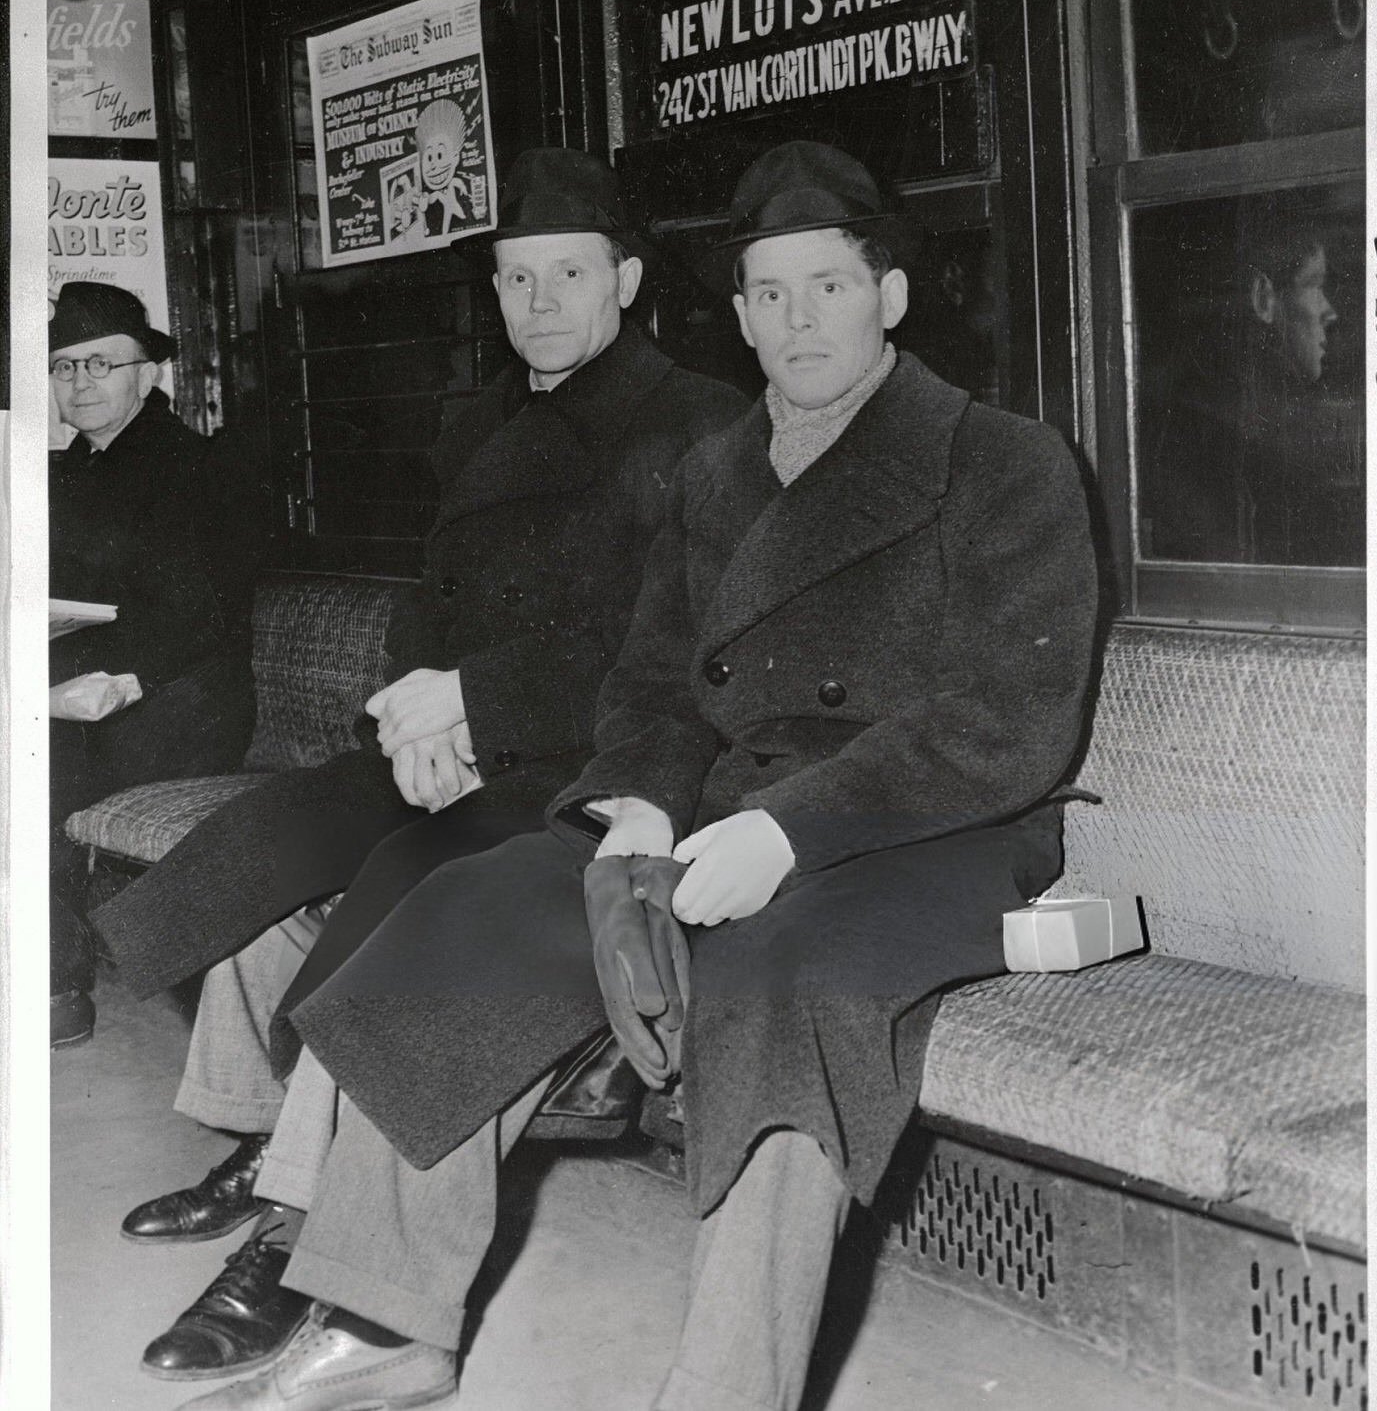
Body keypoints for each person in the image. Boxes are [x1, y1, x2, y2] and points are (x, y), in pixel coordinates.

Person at [167, 140, 1100, 1411]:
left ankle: (725, 1389)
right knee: (467, 911)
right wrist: (642, 798)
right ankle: (388, 1318)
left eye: (825, 287)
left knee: (782, 990)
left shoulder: (1002, 460)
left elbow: (1011, 715)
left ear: (887, 296)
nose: (795, 320)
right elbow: (652, 685)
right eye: (767, 296)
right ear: (735, 313)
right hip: (708, 812)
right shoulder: (714, 473)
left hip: (922, 825)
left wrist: (787, 833)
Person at [92, 147, 746, 1383]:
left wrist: (474, 701)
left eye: (566, 273)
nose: (537, 301)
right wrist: (410, 709)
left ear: (626, 279)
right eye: (513, 279)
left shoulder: (699, 424)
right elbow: (430, 598)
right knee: (265, 840)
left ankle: (292, 1224)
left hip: (583, 759)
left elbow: (666, 646)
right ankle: (258, 1142)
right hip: (456, 736)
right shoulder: (481, 418)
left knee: (398, 877)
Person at [49, 282, 262, 1049]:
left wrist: (122, 678)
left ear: (149, 375)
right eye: (65, 366)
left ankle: (57, 983)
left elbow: (207, 608)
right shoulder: (63, 472)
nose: (80, 382)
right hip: (83, 688)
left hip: (179, 692)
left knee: (37, 766)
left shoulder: (196, 467)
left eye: (100, 364)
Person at [1141, 209, 1360, 566]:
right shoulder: (1210, 434)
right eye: (1314, 284)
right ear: (1263, 298)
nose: (1329, 311)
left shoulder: (1270, 422)